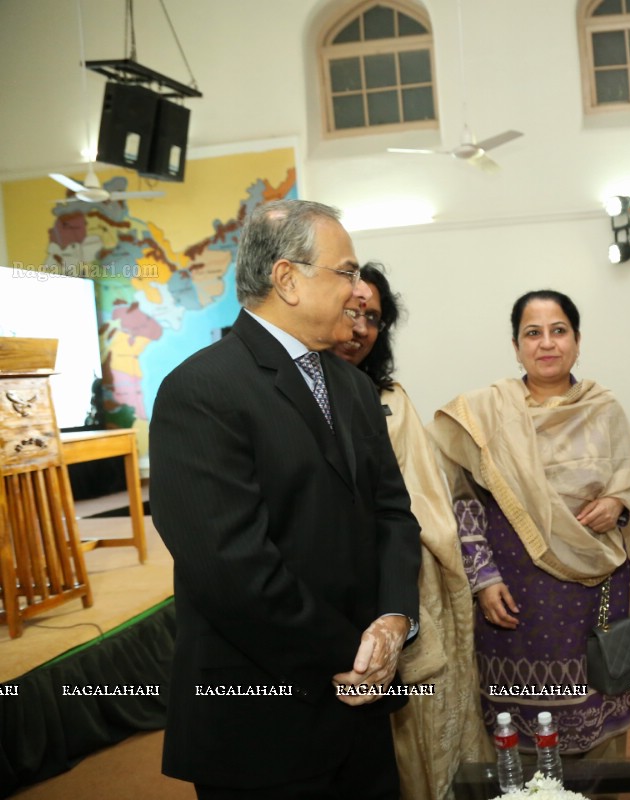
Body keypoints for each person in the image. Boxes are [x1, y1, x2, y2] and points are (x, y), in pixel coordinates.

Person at [149, 200, 422, 797]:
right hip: (263, 718)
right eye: (346, 272)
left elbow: (393, 515)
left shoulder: (349, 384)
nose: (359, 289)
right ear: (288, 279)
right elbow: (231, 567)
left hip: (363, 705)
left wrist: (396, 617)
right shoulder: (200, 390)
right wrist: (353, 651)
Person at [427, 289, 630, 757]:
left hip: (594, 594)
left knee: (596, 740)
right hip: (514, 598)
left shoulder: (603, 409)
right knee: (516, 748)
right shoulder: (486, 413)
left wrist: (618, 500)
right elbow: (462, 501)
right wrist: (483, 577)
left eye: (559, 331)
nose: (547, 343)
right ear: (516, 346)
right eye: (532, 333)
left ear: (577, 341)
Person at [333, 263, 490, 800]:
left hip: (397, 590)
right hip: (324, 595)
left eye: (373, 317)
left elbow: (425, 507)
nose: (359, 327)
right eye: (351, 311)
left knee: (410, 744)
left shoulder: (390, 401)